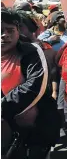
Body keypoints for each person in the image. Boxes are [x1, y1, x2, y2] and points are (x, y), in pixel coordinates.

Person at [1, 8, 60, 159]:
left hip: (33, 131)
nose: (4, 35)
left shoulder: (31, 51)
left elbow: (35, 86)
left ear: (18, 30)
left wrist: (2, 106)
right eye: (0, 30)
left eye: (10, 30)